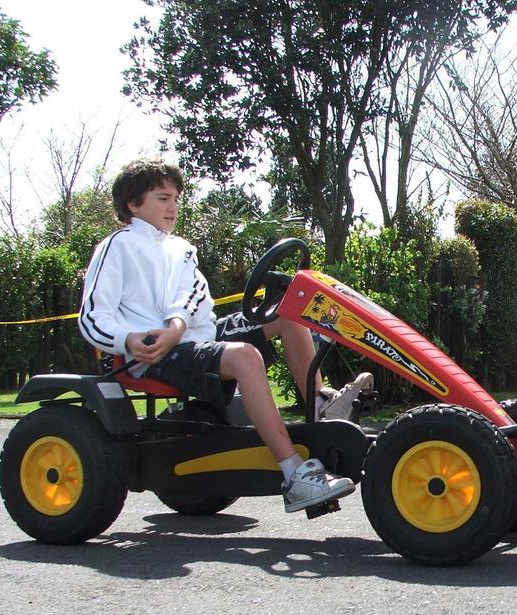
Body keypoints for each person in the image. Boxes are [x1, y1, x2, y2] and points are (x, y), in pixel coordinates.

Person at [79, 158, 370, 512]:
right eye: (161, 198)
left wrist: (177, 326)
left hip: (190, 338)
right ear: (132, 204)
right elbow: (94, 316)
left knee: (289, 312)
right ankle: (294, 475)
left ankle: (320, 403)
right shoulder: (118, 247)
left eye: (175, 198)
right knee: (245, 357)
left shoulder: (180, 250)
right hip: (152, 353)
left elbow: (194, 297)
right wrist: (130, 340)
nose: (172, 206)